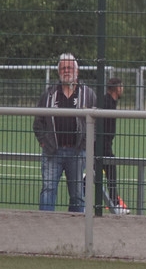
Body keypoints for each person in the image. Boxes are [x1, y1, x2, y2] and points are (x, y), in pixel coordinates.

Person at [32, 53, 97, 212]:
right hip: (52, 152)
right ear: (58, 72)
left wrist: (86, 145)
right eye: (63, 68)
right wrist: (44, 142)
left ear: (77, 71)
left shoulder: (88, 94)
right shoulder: (49, 94)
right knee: (48, 189)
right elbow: (38, 122)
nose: (66, 71)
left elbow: (96, 124)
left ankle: (76, 223)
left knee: (77, 195)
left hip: (77, 152)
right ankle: (45, 221)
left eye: (69, 68)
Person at [100, 77, 129, 215]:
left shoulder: (110, 102)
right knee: (111, 170)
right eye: (121, 86)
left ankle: (114, 202)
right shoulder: (107, 103)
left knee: (102, 170)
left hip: (104, 142)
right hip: (102, 143)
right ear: (117, 88)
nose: (122, 89)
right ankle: (114, 203)